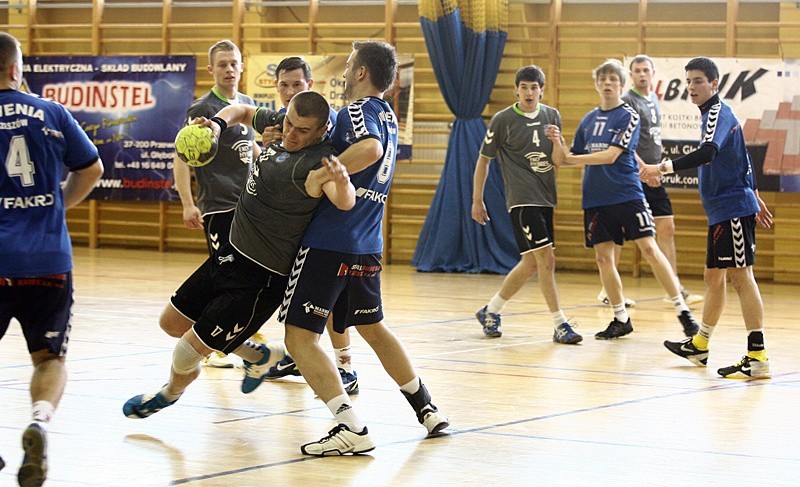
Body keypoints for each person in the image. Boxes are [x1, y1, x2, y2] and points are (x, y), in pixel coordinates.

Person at [245, 41, 449, 456]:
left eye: (349, 65)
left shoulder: (359, 111)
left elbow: (369, 149)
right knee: (373, 328)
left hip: (330, 241)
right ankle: (426, 408)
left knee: (300, 338)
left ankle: (348, 424)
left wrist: (319, 174)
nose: (343, 73)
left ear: (360, 73)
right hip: (367, 242)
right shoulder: (387, 114)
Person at [122, 91, 355, 419]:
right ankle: (260, 356)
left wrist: (343, 183)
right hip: (230, 254)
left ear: (321, 131)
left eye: (302, 130)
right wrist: (217, 126)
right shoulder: (281, 126)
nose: (290, 133)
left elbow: (344, 202)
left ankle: (168, 393)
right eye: (288, 123)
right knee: (172, 322)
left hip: (259, 278)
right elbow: (242, 110)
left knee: (186, 353)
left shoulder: (317, 163)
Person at [0, 31, 104, 487]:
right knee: (48, 358)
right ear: (15, 69)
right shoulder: (51, 112)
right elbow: (92, 168)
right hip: (47, 259)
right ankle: (39, 423)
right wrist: (59, 202)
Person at [640, 57, 773, 378]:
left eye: (698, 81)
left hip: (732, 210)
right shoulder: (710, 115)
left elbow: (709, 152)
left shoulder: (718, 112)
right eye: (688, 81)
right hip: (722, 210)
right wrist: (755, 192)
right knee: (713, 277)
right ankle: (700, 345)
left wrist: (662, 167)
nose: (691, 87)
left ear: (714, 84)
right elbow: (740, 156)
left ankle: (757, 357)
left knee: (742, 277)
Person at [547, 59, 699, 340]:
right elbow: (561, 161)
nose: (607, 84)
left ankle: (683, 312)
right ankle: (620, 318)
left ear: (621, 84)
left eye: (612, 80)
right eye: (602, 79)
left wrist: (571, 157)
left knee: (650, 249)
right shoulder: (588, 119)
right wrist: (558, 143)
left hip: (627, 193)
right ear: (596, 84)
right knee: (604, 258)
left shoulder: (628, 115)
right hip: (595, 197)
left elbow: (611, 155)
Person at [260, 57, 359, 395]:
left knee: (330, 301)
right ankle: (297, 354)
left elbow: (337, 172)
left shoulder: (322, 121)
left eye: (297, 85)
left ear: (310, 85)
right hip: (292, 228)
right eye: (284, 85)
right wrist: (270, 145)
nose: (290, 92)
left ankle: (345, 366)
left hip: (328, 225)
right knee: (302, 300)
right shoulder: (283, 123)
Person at [471, 65, 581, 344]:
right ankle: (560, 324)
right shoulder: (502, 120)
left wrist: (557, 141)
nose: (529, 92)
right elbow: (484, 161)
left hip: (546, 198)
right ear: (516, 90)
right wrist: (477, 199)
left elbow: (559, 160)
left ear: (541, 90)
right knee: (547, 259)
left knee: (531, 263)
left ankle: (490, 311)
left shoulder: (551, 116)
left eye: (534, 87)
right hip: (522, 200)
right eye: (524, 87)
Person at [172, 39, 261, 369]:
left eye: (234, 63)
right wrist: (187, 202)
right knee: (226, 276)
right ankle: (214, 344)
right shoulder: (203, 109)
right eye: (222, 64)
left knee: (241, 277)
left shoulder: (249, 105)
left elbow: (248, 149)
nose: (229, 69)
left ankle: (224, 338)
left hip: (249, 208)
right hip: (219, 207)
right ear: (211, 69)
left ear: (241, 66)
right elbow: (183, 158)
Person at [602, 55, 702, 308]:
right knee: (620, 235)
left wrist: (655, 169)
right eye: (637, 71)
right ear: (631, 75)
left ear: (653, 73)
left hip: (652, 174)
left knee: (666, 228)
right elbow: (622, 142)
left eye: (646, 70)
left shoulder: (653, 99)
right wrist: (644, 169)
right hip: (632, 176)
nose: (642, 74)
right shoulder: (627, 102)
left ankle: (675, 288)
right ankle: (608, 291)